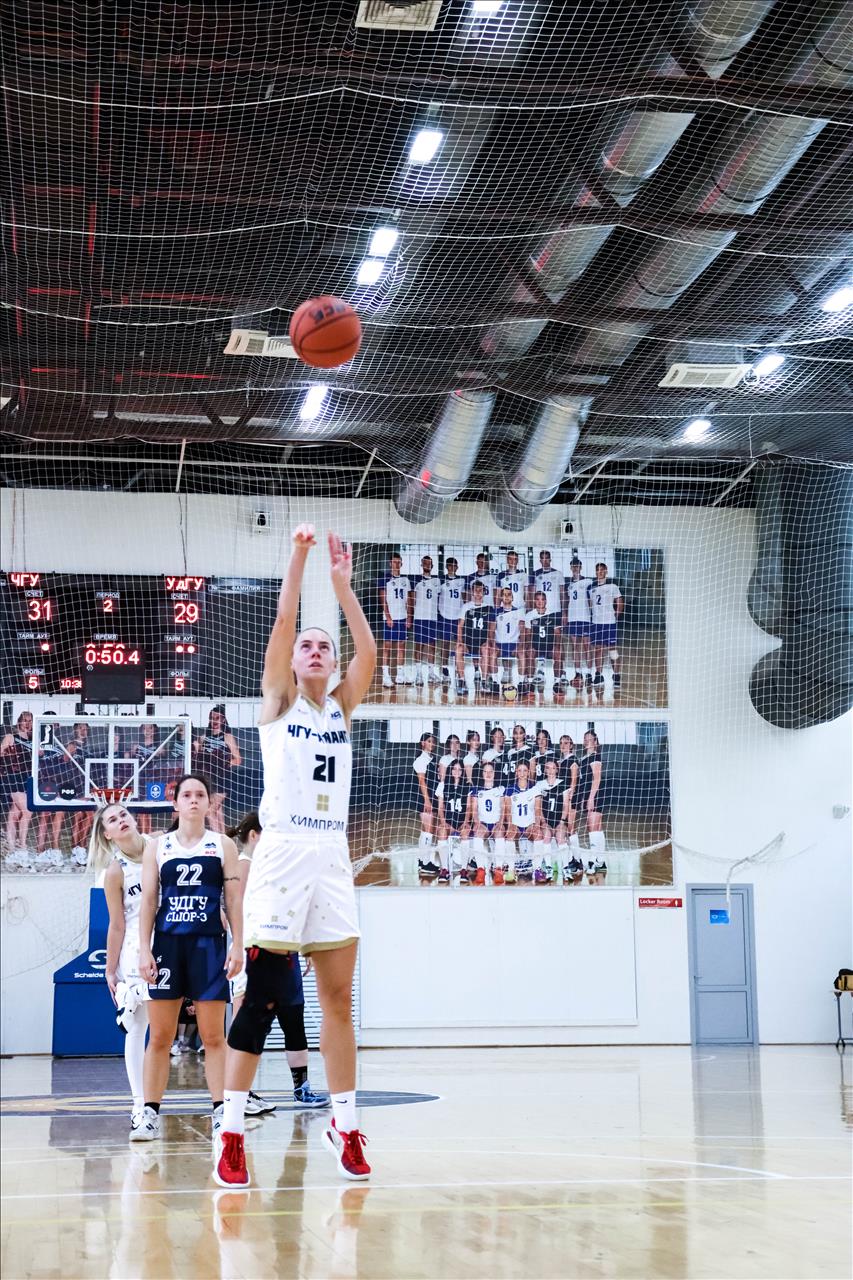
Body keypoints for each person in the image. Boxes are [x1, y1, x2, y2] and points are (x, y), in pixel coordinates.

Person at [216, 526, 376, 1188]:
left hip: (330, 855)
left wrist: (342, 587)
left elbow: (369, 650)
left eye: (323, 646)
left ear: (332, 664)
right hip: (282, 854)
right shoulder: (280, 703)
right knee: (260, 1000)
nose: (313, 649)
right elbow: (283, 623)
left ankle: (345, 1123)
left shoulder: (341, 706)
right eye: (307, 645)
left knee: (337, 998)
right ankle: (230, 1132)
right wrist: (301, 557)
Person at [137, 773, 243, 1142]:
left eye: (200, 794)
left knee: (214, 1036)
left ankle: (221, 1112)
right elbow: (149, 900)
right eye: (187, 794)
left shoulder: (223, 844)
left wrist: (238, 944)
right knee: (160, 1036)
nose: (194, 800)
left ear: (209, 803)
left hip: (209, 945)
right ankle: (149, 1114)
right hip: (168, 945)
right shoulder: (158, 846)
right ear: (176, 803)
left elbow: (233, 901)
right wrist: (144, 948)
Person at [228, 811, 329, 1109]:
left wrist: (302, 944)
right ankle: (239, 1093)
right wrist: (238, 949)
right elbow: (236, 911)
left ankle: (302, 1088)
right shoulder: (244, 865)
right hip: (253, 952)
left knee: (293, 1019)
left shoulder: (275, 868)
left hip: (284, 949)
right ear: (254, 835)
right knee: (248, 1021)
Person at [88, 801, 151, 1139]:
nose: (120, 820)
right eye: (112, 820)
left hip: (173, 945)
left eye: (123, 814)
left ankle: (227, 1101)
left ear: (133, 818)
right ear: (108, 835)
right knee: (138, 1028)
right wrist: (110, 970)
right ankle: (140, 1105)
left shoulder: (160, 848)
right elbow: (116, 924)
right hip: (136, 952)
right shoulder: (115, 871)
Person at [194, 708, 242, 833]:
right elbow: (198, 758)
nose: (214, 721)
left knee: (209, 811)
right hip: (208, 778)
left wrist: (223, 762)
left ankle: (217, 838)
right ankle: (223, 836)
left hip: (222, 779)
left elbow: (238, 759)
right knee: (218, 811)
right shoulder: (203, 738)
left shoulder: (227, 737)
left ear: (223, 720)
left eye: (217, 718)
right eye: (212, 718)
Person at [502, 761, 543, 883]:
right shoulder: (509, 789)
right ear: (516, 773)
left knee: (539, 834)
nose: (522, 773)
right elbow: (508, 810)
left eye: (525, 770)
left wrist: (536, 825)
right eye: (519, 770)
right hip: (516, 824)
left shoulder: (535, 789)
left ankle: (537, 869)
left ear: (529, 772)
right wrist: (511, 825)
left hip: (529, 824)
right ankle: (511, 870)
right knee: (510, 835)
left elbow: (537, 809)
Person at [2, 711, 33, 859]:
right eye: (25, 720)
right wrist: (7, 755)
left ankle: (11, 850)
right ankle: (22, 847)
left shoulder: (33, 740)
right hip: (12, 778)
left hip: (27, 779)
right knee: (28, 810)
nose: (27, 723)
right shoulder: (11, 737)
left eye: (30, 721)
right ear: (19, 721)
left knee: (14, 813)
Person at [455, 580, 495, 696]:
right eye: (475, 590)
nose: (478, 592)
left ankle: (484, 681)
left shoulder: (489, 608)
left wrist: (489, 641)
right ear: (472, 592)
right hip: (468, 642)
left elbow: (492, 628)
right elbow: (460, 626)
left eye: (480, 590)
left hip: (482, 642)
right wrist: (460, 641)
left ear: (484, 592)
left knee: (486, 649)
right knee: (458, 650)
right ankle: (462, 681)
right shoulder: (466, 607)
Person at [535, 759, 572, 883]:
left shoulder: (563, 783)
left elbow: (566, 805)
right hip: (546, 820)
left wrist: (562, 821)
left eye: (553, 768)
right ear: (545, 770)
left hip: (559, 820)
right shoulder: (540, 784)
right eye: (548, 768)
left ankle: (566, 868)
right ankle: (549, 867)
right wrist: (543, 821)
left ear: (557, 770)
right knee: (546, 835)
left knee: (560, 836)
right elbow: (538, 806)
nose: (551, 771)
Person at [436, 758, 472, 884]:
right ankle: (444, 869)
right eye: (454, 769)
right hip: (448, 821)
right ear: (450, 771)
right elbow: (440, 807)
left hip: (461, 821)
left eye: (459, 770)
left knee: (465, 832)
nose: (457, 772)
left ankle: (464, 869)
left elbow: (468, 807)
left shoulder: (467, 786)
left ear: (463, 772)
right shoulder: (443, 785)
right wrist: (443, 822)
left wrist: (466, 822)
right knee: (441, 831)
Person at [469, 759, 505, 885]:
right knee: (477, 834)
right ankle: (481, 869)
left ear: (494, 773)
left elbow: (504, 808)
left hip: (496, 823)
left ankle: (498, 870)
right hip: (483, 823)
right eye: (485, 772)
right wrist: (477, 822)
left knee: (500, 833)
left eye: (491, 772)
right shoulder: (476, 790)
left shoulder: (500, 789)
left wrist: (501, 823)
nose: (488, 774)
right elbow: (474, 809)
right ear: (482, 774)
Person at [534, 550, 566, 688]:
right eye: (543, 558)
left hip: (556, 612)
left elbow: (563, 593)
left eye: (547, 558)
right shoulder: (535, 574)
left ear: (550, 559)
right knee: (540, 640)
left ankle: (562, 671)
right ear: (540, 560)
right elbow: (532, 593)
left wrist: (564, 612)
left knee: (558, 642)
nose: (545, 560)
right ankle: (540, 669)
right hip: (541, 612)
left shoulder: (558, 574)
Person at [378, 552, 411, 688]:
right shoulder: (384, 579)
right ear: (390, 563)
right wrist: (388, 616)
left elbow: (409, 600)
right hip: (390, 618)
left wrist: (409, 616)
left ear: (401, 563)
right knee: (387, 647)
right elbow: (383, 599)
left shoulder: (405, 580)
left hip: (402, 617)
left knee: (401, 646)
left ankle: (400, 675)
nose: (396, 564)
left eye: (399, 562)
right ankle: (386, 676)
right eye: (394, 562)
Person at [575, 730, 606, 874]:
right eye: (585, 739)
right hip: (589, 794)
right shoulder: (584, 758)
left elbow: (597, 778)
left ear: (595, 742)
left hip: (595, 795)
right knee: (597, 828)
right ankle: (601, 861)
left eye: (590, 739)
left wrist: (591, 798)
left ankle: (593, 862)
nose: (587, 741)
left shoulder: (595, 756)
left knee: (592, 828)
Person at [588, 563, 623, 689]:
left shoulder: (613, 586)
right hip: (596, 623)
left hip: (609, 623)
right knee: (598, 649)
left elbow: (620, 603)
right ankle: (598, 675)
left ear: (606, 571)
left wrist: (615, 616)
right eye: (597, 570)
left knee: (612, 650)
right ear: (595, 572)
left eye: (602, 570)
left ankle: (616, 675)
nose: (600, 572)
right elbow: (590, 605)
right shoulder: (591, 588)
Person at [409, 554, 440, 687]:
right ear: (422, 565)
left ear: (432, 566)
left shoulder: (437, 581)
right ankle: (418, 674)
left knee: (432, 645)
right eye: (425, 563)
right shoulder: (416, 580)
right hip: (419, 617)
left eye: (429, 563)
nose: (427, 565)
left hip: (432, 617)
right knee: (419, 646)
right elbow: (412, 600)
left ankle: (431, 673)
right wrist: (411, 616)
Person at [412, 732, 439, 879]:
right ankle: (426, 863)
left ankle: (422, 860)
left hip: (431, 798)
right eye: (429, 741)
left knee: (425, 831)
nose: (432, 744)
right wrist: (427, 800)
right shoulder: (421, 760)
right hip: (425, 799)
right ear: (422, 743)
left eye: (433, 741)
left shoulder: (431, 759)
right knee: (428, 831)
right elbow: (422, 781)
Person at [436, 557, 466, 686]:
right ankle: (444, 669)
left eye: (454, 565)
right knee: (445, 643)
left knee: (459, 643)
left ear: (457, 567)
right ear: (446, 567)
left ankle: (460, 673)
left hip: (458, 616)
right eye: (449, 565)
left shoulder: (462, 581)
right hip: (445, 616)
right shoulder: (440, 580)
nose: (452, 568)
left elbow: (464, 597)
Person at [525, 591, 561, 693]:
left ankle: (557, 683)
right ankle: (530, 682)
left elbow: (557, 633)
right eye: (537, 599)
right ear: (534, 601)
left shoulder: (553, 614)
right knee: (530, 652)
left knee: (558, 652)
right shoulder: (529, 615)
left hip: (549, 645)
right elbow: (528, 634)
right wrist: (529, 645)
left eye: (542, 599)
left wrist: (557, 646)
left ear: (546, 601)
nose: (540, 602)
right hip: (536, 645)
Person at [565, 557, 594, 687]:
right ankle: (578, 673)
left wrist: (593, 615)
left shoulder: (588, 582)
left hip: (585, 618)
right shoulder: (569, 584)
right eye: (573, 566)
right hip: (572, 618)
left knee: (587, 646)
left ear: (581, 567)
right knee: (575, 646)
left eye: (577, 566)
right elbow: (567, 601)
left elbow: (591, 600)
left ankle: (589, 674)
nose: (575, 568)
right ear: (570, 568)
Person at [493, 586, 525, 689]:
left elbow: (522, 630)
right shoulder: (496, 612)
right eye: (504, 595)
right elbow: (491, 630)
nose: (506, 597)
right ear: (501, 597)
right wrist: (493, 644)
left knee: (522, 653)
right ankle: (494, 681)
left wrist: (520, 645)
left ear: (513, 597)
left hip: (513, 644)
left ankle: (521, 682)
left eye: (509, 594)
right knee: (492, 653)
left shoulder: (519, 611)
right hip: (500, 643)